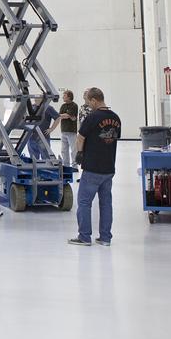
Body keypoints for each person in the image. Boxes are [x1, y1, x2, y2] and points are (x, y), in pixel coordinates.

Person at [69, 87, 121, 246]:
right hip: (109, 168)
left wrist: (79, 153)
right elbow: (114, 137)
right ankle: (105, 238)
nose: (87, 105)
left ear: (94, 100)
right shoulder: (116, 118)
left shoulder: (92, 117)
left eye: (87, 102)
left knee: (84, 202)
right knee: (106, 203)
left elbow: (80, 137)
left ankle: (84, 237)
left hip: (92, 167)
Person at [56, 89, 79, 170]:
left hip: (72, 131)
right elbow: (59, 116)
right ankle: (66, 166)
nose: (63, 97)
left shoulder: (74, 105)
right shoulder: (63, 106)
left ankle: (75, 166)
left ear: (69, 97)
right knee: (64, 150)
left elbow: (68, 115)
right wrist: (67, 115)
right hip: (63, 131)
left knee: (73, 150)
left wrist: (66, 115)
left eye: (64, 96)